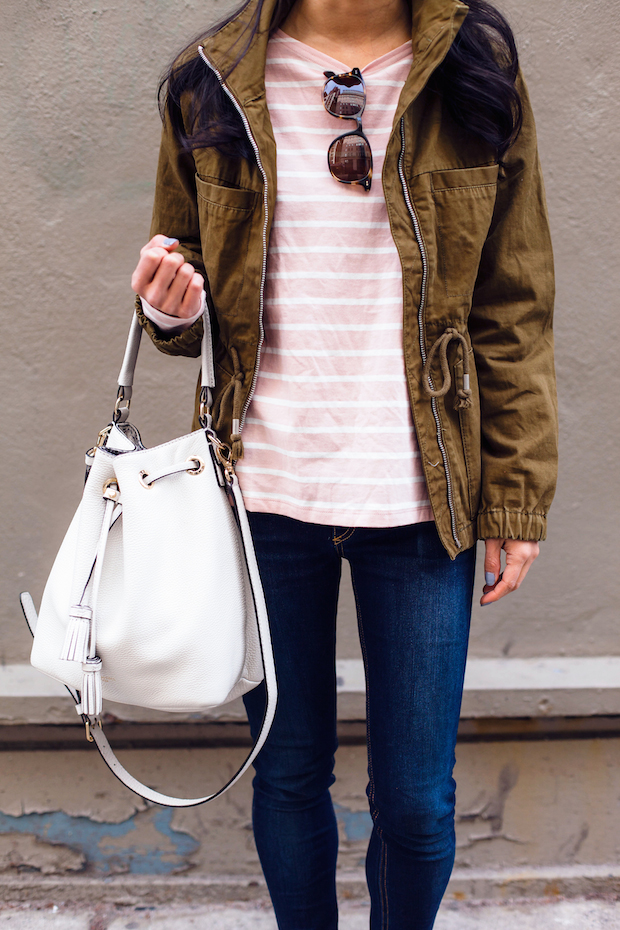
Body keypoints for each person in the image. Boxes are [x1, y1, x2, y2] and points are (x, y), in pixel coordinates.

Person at [130, 0, 557, 925]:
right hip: (264, 498)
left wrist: (515, 498)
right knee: (286, 776)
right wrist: (170, 309)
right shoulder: (212, 80)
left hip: (421, 494)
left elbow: (512, 309)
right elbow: (188, 291)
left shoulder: (472, 71)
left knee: (416, 799)